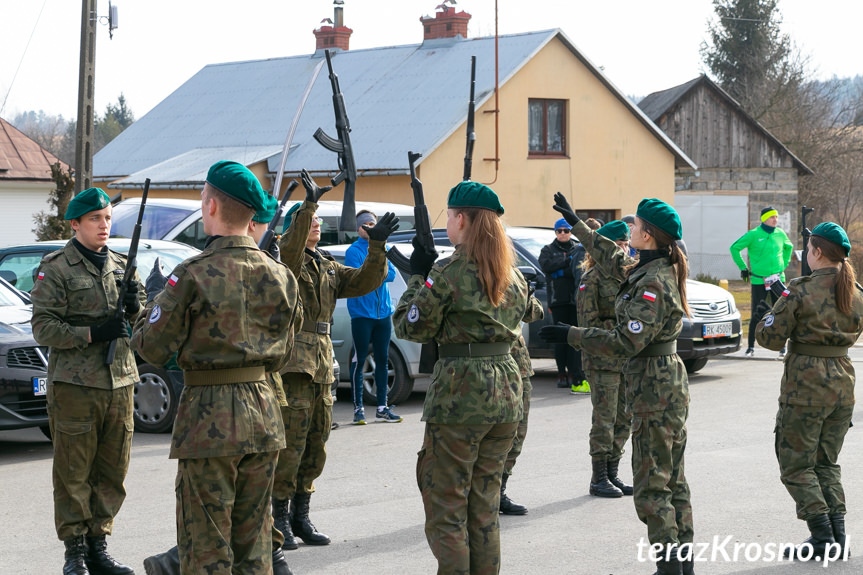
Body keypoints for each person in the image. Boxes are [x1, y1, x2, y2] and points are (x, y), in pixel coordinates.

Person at [132, 161, 301, 575]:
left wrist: (149, 307)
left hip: (209, 419)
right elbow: (284, 353)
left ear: (210, 206)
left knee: (206, 546)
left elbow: (150, 346)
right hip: (263, 414)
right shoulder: (281, 275)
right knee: (255, 545)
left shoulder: (192, 274)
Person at [541, 194, 693, 575]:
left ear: (649, 236)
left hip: (655, 384)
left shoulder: (653, 282)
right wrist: (577, 224)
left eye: (636, 227)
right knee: (671, 477)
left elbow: (627, 340)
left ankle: (671, 566)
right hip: (660, 381)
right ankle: (681, 562)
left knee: (653, 483)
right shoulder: (648, 267)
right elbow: (609, 255)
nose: (631, 231)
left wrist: (572, 334)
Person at [394, 180, 529, 575]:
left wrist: (417, 277)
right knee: (484, 506)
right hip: (506, 394)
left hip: (461, 394)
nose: (448, 223)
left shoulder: (448, 271)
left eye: (451, 216)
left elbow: (410, 327)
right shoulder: (513, 275)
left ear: (464, 220)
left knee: (447, 505)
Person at [272, 172, 398, 550]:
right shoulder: (286, 259)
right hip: (296, 360)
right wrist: (308, 202)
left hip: (323, 361)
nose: (316, 224)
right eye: (309, 221)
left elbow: (364, 282)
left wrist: (377, 247)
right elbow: (291, 248)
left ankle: (301, 515)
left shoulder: (326, 263)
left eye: (316, 220)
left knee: (316, 442)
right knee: (291, 443)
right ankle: (278, 519)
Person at [30, 187, 142, 575]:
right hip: (76, 386)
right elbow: (43, 328)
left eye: (108, 217)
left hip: (120, 382)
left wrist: (134, 306)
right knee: (74, 471)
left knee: (113, 470)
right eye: (95, 219)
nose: (104, 225)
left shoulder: (122, 264)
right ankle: (74, 552)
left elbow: (143, 322)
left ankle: (99, 545)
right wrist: (94, 333)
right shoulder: (57, 267)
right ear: (76, 223)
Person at [755, 222, 863, 561]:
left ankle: (821, 538)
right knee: (825, 462)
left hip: (806, 387)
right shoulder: (857, 292)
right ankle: (837, 539)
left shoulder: (799, 290)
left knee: (796, 465)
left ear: (816, 252)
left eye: (808, 249)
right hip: (842, 385)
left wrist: (766, 318)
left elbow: (769, 339)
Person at [577, 220, 636, 499]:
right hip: (602, 359)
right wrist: (622, 325)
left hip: (626, 357)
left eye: (626, 244)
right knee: (605, 419)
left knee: (624, 418)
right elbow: (587, 323)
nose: (624, 249)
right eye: (619, 244)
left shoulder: (630, 276)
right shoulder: (592, 279)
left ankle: (613, 472)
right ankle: (598, 477)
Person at [345, 210, 402, 424]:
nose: (369, 227)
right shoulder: (353, 251)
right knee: (359, 360)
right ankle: (358, 409)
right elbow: (362, 275)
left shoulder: (385, 248)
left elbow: (393, 274)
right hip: (362, 313)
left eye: (372, 223)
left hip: (383, 313)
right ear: (358, 228)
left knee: (382, 358)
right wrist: (379, 272)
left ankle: (382, 407)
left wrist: (378, 272)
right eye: (365, 224)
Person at [500, 291, 544, 515]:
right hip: (489, 367)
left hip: (519, 365)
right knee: (491, 437)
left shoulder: (513, 279)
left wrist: (527, 291)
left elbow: (535, 313)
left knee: (518, 434)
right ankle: (481, 494)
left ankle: (498, 491)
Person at [730, 206, 794, 358]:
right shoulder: (754, 234)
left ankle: (782, 348)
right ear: (764, 219)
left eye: (776, 217)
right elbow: (734, 248)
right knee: (756, 313)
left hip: (778, 280)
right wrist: (743, 268)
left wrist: (784, 264)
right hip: (759, 280)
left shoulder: (780, 233)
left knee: (780, 312)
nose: (775, 220)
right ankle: (750, 347)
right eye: (772, 217)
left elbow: (789, 247)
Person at [539, 216, 589, 393]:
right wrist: (565, 265)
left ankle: (575, 373)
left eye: (566, 231)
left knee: (574, 338)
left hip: (574, 300)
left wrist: (560, 270)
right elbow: (546, 266)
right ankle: (562, 373)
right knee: (560, 339)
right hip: (558, 300)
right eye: (559, 231)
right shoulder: (548, 249)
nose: (562, 234)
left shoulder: (577, 249)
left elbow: (576, 270)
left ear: (571, 232)